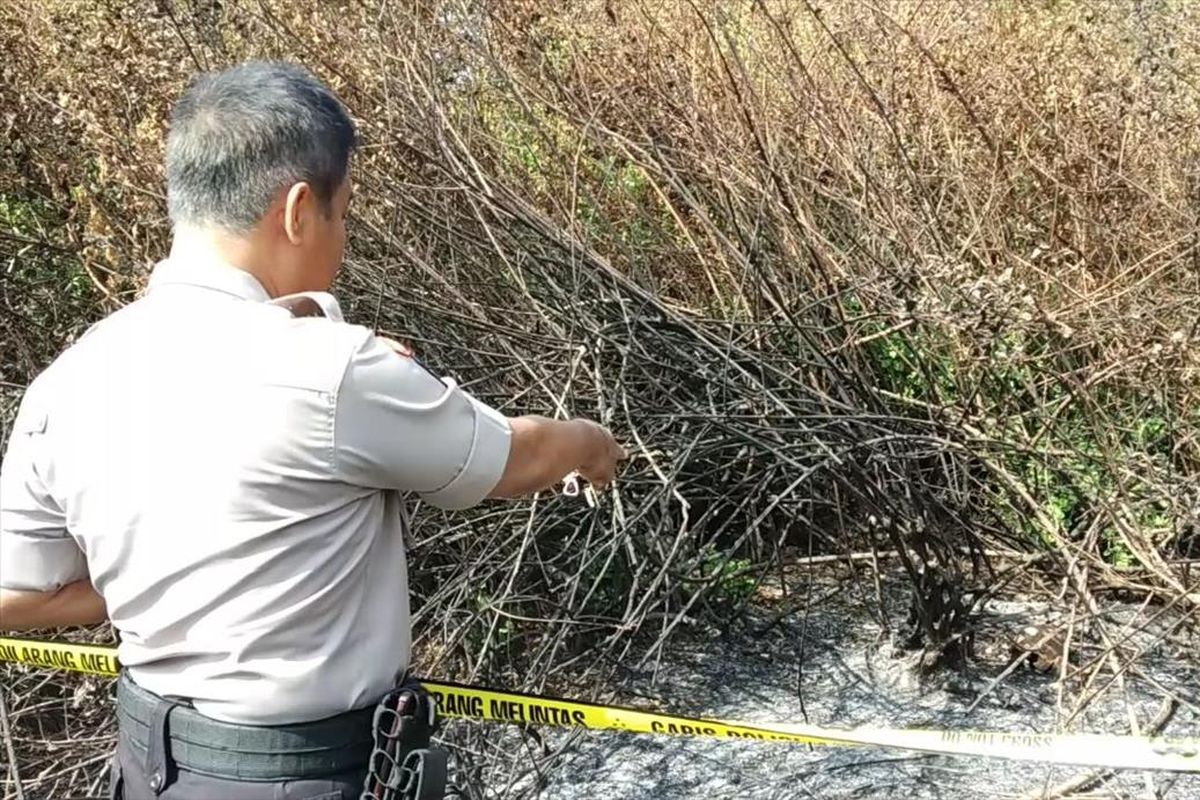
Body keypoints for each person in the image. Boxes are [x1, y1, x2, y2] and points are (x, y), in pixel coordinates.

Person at [0, 61, 626, 800]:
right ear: (299, 210)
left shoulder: (70, 381)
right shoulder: (337, 372)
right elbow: (512, 460)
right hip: (305, 775)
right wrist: (590, 443)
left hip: (149, 771)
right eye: (343, 210)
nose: (344, 233)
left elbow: (15, 595)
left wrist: (150, 584)